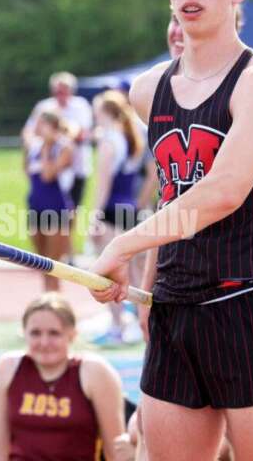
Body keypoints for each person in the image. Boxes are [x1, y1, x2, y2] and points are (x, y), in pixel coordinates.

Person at [89, 0, 253, 460]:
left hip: (249, 306)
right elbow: (170, 198)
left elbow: (223, 191)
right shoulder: (147, 90)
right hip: (175, 310)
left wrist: (121, 247)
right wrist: (148, 290)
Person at [0, 292, 125, 460]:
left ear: (72, 334)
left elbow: (116, 451)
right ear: (24, 333)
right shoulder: (8, 367)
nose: (44, 343)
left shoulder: (94, 372)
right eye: (35, 333)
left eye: (54, 333)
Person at [89, 90, 147, 345]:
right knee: (131, 272)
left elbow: (103, 184)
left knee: (108, 273)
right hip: (129, 208)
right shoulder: (131, 135)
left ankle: (116, 326)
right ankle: (134, 323)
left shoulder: (109, 140)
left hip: (112, 210)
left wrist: (95, 216)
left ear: (105, 113)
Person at [23, 111, 75, 291]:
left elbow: (47, 175)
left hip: (56, 208)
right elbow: (27, 171)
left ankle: (55, 299)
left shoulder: (63, 147)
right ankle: (48, 297)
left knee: (53, 264)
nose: (37, 128)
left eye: (41, 124)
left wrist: (46, 147)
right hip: (36, 205)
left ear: (52, 127)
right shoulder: (34, 146)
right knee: (41, 263)